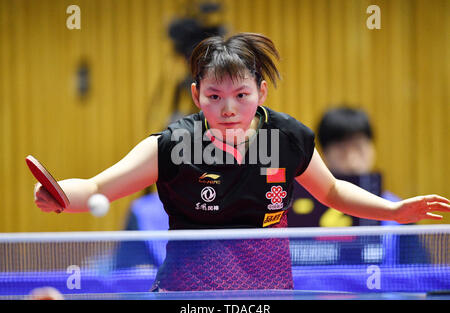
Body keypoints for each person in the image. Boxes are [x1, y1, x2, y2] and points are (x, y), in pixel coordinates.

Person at [34, 33, 450, 291]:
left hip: (268, 294)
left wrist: (393, 211)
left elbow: (335, 191)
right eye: (215, 96)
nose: (229, 107)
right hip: (189, 295)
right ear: (197, 96)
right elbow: (96, 188)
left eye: (241, 95)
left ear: (261, 92)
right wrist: (58, 194)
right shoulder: (171, 146)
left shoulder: (287, 139)